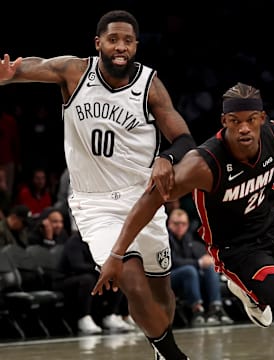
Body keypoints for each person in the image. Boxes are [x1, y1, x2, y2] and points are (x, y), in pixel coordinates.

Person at [93, 82, 274, 359]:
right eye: (235, 121)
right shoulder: (203, 164)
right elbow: (150, 200)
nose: (244, 128)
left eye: (250, 120)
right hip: (240, 248)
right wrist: (116, 253)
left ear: (262, 119)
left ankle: (253, 294)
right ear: (224, 122)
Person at [0, 10, 197, 359]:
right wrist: (8, 76)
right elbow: (29, 66)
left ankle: (159, 346)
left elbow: (183, 137)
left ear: (136, 46)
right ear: (98, 43)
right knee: (132, 283)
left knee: (161, 295)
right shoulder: (74, 71)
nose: (120, 46)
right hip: (95, 204)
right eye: (113, 39)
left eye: (127, 40)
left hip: (143, 200)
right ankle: (172, 355)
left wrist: (167, 157)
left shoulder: (149, 84)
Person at [167, 208, 233, 326]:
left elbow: (200, 256)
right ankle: (197, 311)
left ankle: (216, 308)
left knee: (210, 267)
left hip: (191, 277)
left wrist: (207, 260)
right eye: (176, 223)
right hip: (169, 277)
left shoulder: (189, 238)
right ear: (169, 224)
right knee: (190, 270)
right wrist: (198, 263)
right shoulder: (166, 239)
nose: (180, 226)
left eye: (183, 224)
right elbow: (172, 261)